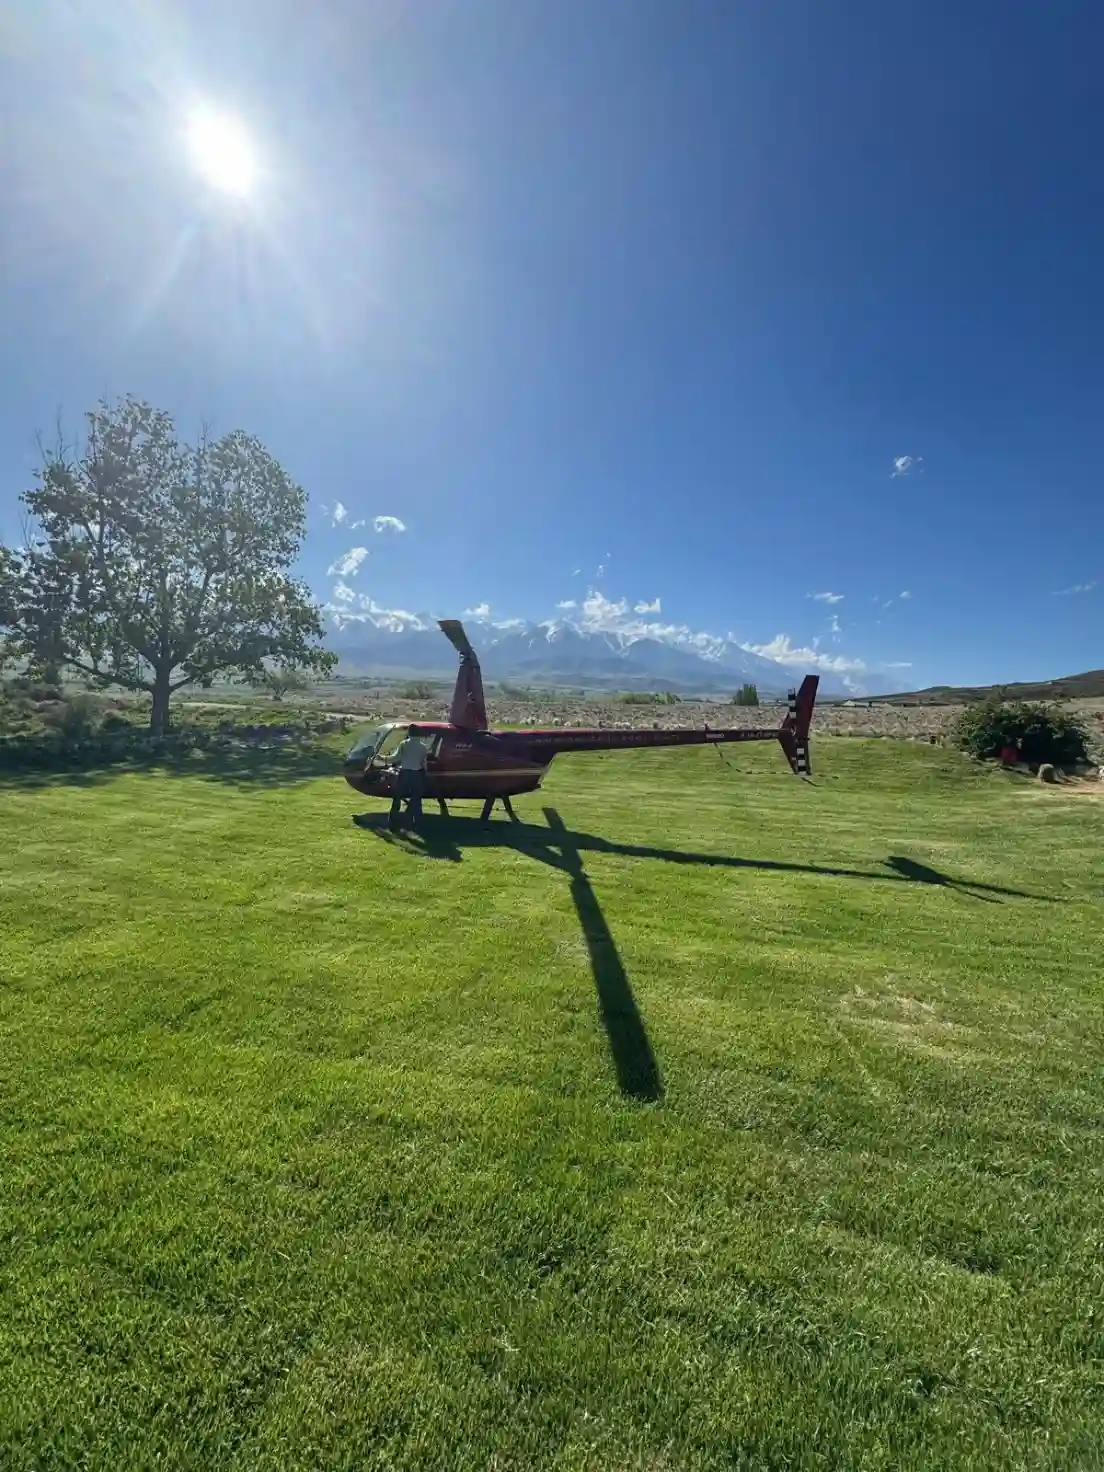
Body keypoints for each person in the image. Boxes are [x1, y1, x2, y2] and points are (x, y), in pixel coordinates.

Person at [389, 725, 430, 830]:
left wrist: (383, 758)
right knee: (416, 798)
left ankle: (393, 821)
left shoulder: (404, 744)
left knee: (397, 797)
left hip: (404, 773)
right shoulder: (423, 747)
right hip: (416, 774)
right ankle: (416, 822)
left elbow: (395, 758)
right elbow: (424, 764)